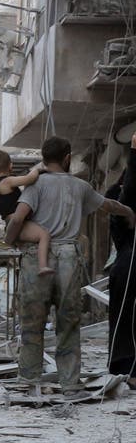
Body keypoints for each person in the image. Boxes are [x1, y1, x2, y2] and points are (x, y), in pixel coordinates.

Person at [5, 136, 135, 400]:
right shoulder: (80, 186)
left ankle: (27, 379)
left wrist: (10, 240)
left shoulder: (36, 184)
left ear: (44, 158)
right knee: (68, 322)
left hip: (36, 258)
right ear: (67, 158)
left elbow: (18, 217)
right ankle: (71, 385)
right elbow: (108, 205)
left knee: (32, 321)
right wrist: (130, 212)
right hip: (68, 258)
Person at [0, 150, 53, 275]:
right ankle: (43, 266)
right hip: (19, 224)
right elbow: (30, 179)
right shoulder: (6, 181)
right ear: (11, 166)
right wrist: (38, 170)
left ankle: (8, 253)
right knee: (44, 235)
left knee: (22, 252)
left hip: (10, 224)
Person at [106, 130, 136, 387]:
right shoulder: (120, 199)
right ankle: (130, 373)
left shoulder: (115, 194)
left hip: (126, 267)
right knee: (128, 322)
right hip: (129, 267)